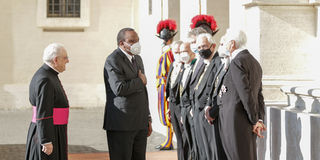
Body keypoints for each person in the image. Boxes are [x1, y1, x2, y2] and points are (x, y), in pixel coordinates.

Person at [215, 29, 266, 160]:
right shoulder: (254, 62)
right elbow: (259, 96)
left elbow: (246, 93)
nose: (223, 45)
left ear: (232, 44)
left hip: (236, 119)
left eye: (225, 41)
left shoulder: (237, 61)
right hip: (246, 119)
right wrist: (259, 119)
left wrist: (255, 120)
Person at [103, 28, 152, 160]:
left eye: (137, 40)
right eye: (131, 41)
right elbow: (119, 88)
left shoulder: (138, 59)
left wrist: (147, 117)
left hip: (139, 122)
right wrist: (139, 81)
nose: (136, 44)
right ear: (121, 43)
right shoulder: (113, 60)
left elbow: (143, 91)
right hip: (122, 123)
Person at [25, 43, 70, 160]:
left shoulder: (49, 75)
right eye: (65, 58)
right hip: (49, 132)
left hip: (54, 129)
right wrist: (46, 140)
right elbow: (43, 111)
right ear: (55, 60)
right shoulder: (45, 79)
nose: (68, 61)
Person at [192, 33, 224, 160]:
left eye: (204, 46)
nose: (201, 50)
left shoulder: (218, 62)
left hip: (208, 113)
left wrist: (210, 109)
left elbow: (216, 89)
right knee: (202, 151)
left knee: (211, 151)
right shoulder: (202, 63)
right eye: (199, 47)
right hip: (197, 112)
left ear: (213, 46)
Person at [155, 19, 178, 150]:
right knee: (165, 112)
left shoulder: (170, 52)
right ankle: (168, 140)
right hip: (162, 84)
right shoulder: (166, 50)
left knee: (168, 113)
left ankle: (169, 141)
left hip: (166, 84)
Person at [165, 40, 186, 160]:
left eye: (180, 52)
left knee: (185, 138)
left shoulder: (187, 67)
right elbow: (169, 86)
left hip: (182, 106)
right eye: (175, 52)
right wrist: (169, 107)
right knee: (178, 138)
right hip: (172, 106)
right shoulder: (173, 64)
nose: (178, 55)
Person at [177, 42, 197, 160]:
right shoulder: (183, 67)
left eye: (185, 51)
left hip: (192, 110)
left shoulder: (195, 67)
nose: (183, 54)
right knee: (185, 142)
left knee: (193, 144)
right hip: (183, 110)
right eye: (181, 52)